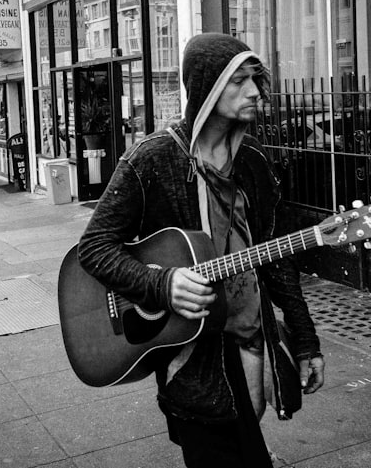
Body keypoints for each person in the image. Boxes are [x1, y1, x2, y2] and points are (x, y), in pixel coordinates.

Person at [77, 33, 324, 467]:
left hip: (249, 344)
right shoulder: (152, 160)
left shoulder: (253, 161)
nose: (254, 92)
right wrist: (162, 283)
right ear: (207, 86)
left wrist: (306, 341)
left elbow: (277, 257)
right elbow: (94, 248)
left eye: (255, 80)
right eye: (238, 81)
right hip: (191, 359)